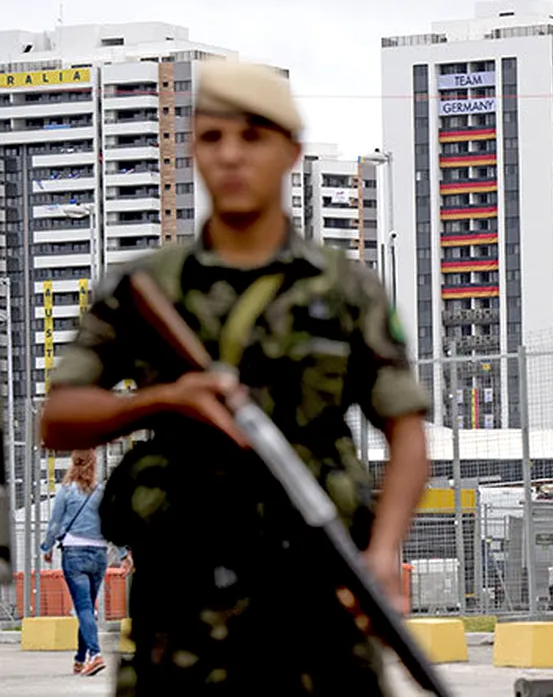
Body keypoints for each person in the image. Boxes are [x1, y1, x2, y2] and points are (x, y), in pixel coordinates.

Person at [38, 60, 432, 696]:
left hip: (317, 601)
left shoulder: (345, 289)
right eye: (213, 138)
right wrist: (163, 401)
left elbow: (406, 434)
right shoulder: (144, 288)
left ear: (291, 152)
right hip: (181, 611)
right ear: (193, 149)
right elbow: (58, 419)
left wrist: (383, 552)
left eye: (253, 137)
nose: (231, 156)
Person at [40, 449, 109, 677]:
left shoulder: (66, 491)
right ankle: (81, 658)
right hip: (99, 554)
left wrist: (47, 547)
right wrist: (125, 551)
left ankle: (96, 654)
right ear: (94, 464)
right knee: (87, 606)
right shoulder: (102, 492)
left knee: (83, 606)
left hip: (74, 553)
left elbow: (54, 523)